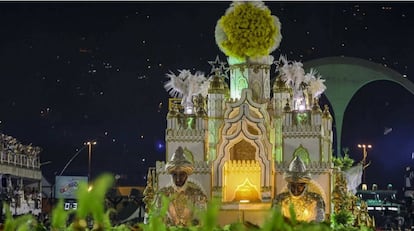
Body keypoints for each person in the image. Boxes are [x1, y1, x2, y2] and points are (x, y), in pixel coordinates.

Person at [153, 146, 207, 227]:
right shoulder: (162, 195)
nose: (178, 179)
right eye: (175, 175)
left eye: (182, 175)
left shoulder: (197, 195)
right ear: (171, 175)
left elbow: (203, 219)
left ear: (187, 175)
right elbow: (155, 220)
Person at [273, 156, 325, 222]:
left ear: (305, 186)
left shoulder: (316, 199)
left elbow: (319, 221)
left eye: (299, 186)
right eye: (293, 186)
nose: (296, 190)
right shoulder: (280, 199)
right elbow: (274, 219)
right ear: (289, 185)